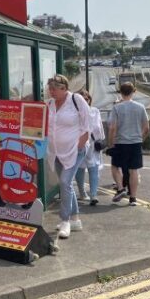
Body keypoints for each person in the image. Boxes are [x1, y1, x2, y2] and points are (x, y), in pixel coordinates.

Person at [46, 74, 90, 239]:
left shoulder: (76, 100)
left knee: (65, 182)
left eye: (54, 89)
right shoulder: (49, 104)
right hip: (56, 151)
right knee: (66, 185)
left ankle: (65, 221)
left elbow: (87, 125)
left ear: (64, 88)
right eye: (49, 89)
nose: (51, 92)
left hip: (74, 150)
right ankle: (76, 220)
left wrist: (79, 145)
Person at [108, 82, 149, 206]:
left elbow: (112, 128)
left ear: (120, 92)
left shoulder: (117, 108)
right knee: (133, 170)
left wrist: (110, 144)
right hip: (135, 142)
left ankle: (120, 189)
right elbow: (146, 127)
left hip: (121, 142)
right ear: (134, 92)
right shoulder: (140, 107)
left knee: (115, 166)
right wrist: (140, 138)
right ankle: (133, 199)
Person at [75, 89, 105, 207]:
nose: (85, 101)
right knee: (79, 168)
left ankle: (93, 195)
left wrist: (101, 139)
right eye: (82, 99)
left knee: (94, 168)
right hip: (79, 143)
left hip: (93, 144)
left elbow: (100, 128)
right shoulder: (74, 112)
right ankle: (82, 193)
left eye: (87, 99)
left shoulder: (95, 111)